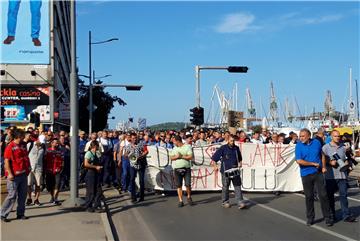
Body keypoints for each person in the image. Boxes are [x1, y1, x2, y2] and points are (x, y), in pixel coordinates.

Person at [295, 128, 333, 226]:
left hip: (318, 172)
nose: (301, 138)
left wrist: (323, 166)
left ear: (308, 136)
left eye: (303, 136)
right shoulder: (298, 145)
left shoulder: (316, 142)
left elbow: (322, 155)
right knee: (309, 197)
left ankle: (328, 217)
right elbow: (299, 161)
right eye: (300, 136)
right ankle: (310, 218)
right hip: (306, 174)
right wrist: (313, 164)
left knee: (323, 195)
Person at [322, 130, 358, 222]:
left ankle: (346, 215)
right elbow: (322, 160)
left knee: (343, 195)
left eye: (338, 136)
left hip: (342, 175)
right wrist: (330, 162)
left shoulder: (343, 147)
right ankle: (331, 215)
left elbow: (345, 158)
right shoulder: (325, 147)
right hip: (331, 176)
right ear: (331, 137)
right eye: (335, 136)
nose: (337, 137)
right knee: (330, 197)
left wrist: (347, 163)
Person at [1, 129, 31, 222]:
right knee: (12, 195)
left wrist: (28, 169)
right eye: (22, 136)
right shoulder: (10, 146)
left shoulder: (23, 145)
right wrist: (9, 173)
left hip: (23, 174)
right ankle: (3, 214)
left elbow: (25, 157)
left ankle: (20, 214)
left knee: (22, 196)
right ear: (17, 136)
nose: (23, 138)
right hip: (14, 176)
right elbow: (6, 161)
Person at [211, 135, 246, 209]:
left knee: (237, 186)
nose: (232, 142)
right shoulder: (223, 148)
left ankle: (240, 202)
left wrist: (240, 163)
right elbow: (214, 158)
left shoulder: (236, 148)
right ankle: (225, 202)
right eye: (231, 141)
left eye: (233, 141)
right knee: (225, 187)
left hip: (234, 170)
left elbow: (240, 158)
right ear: (228, 140)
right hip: (225, 170)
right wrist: (215, 165)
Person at [170, 135, 194, 207]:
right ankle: (180, 201)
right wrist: (176, 157)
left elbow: (190, 156)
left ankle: (189, 197)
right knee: (178, 185)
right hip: (177, 169)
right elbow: (171, 157)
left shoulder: (187, 147)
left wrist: (181, 156)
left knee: (187, 184)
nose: (173, 143)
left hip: (186, 168)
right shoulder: (174, 148)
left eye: (174, 141)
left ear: (178, 141)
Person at [83, 141, 104, 212]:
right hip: (90, 174)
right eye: (98, 146)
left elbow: (99, 161)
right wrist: (95, 167)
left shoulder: (97, 153)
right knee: (90, 191)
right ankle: (88, 206)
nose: (98, 147)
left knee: (99, 191)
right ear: (95, 146)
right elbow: (86, 164)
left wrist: (99, 167)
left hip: (97, 174)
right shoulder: (88, 153)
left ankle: (97, 206)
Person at [44, 138, 63, 205]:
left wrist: (61, 168)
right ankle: (52, 197)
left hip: (57, 170)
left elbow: (62, 160)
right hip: (49, 171)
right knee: (50, 186)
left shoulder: (60, 151)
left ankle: (55, 198)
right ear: (52, 143)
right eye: (55, 142)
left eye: (57, 142)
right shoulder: (47, 151)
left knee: (57, 185)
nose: (57, 144)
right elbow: (44, 161)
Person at [26, 138, 45, 206]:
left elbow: (44, 157)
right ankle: (29, 198)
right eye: (41, 141)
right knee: (28, 184)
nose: (41, 143)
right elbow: (25, 155)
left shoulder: (43, 147)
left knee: (38, 184)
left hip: (38, 168)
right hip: (29, 168)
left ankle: (36, 200)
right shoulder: (29, 145)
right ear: (37, 140)